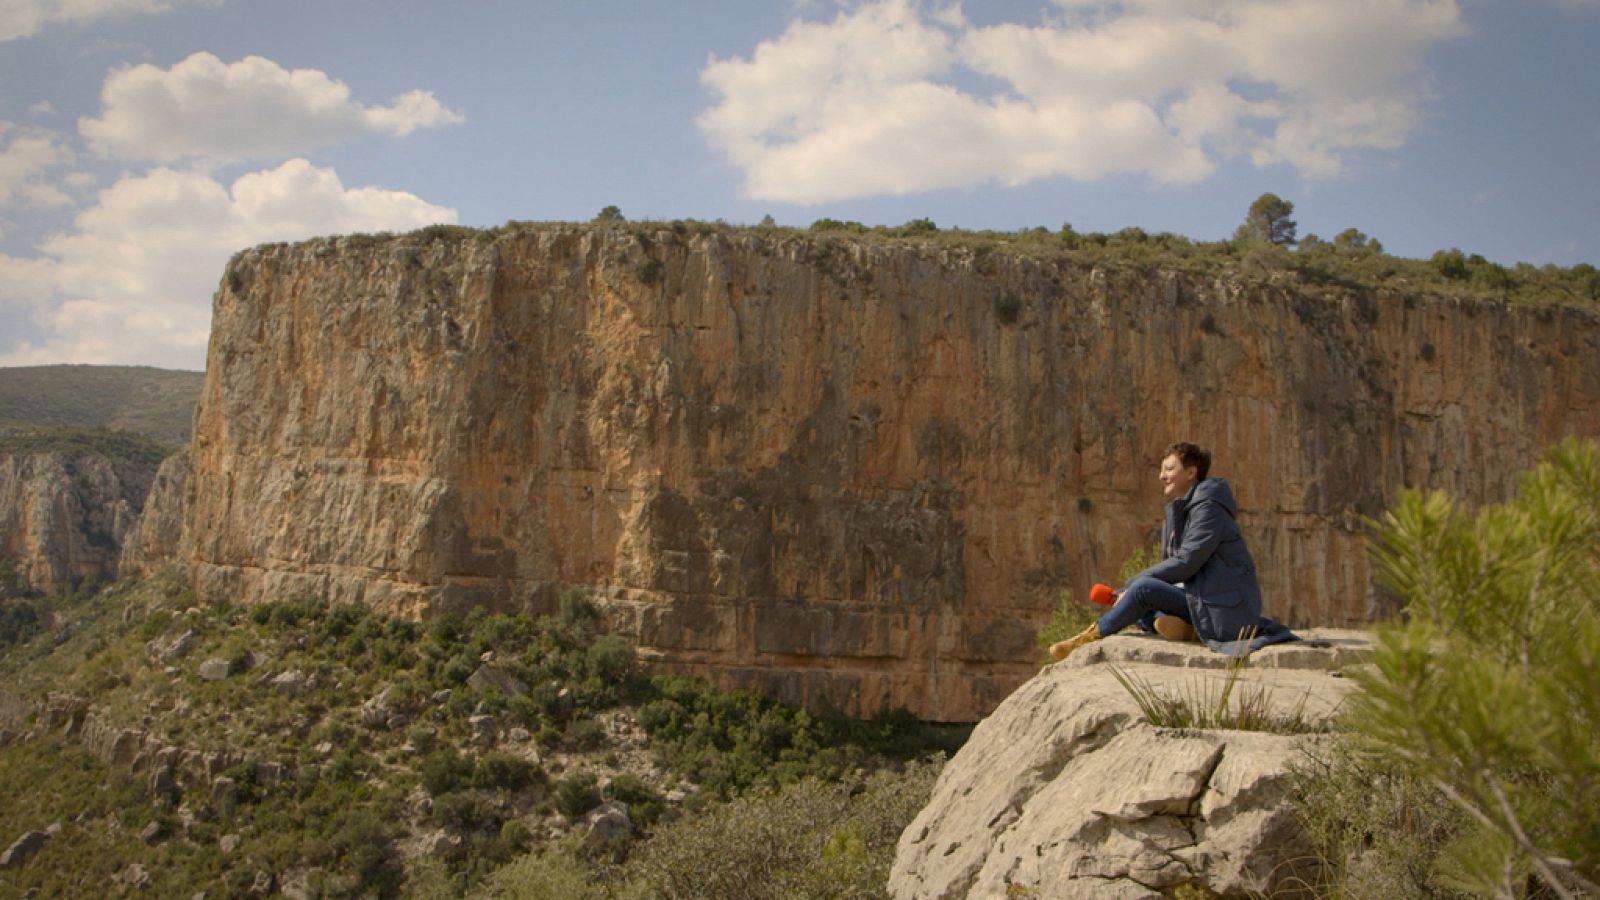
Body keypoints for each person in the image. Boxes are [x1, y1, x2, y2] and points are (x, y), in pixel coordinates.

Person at [1049, 442, 1295, 661]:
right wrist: (1127, 592)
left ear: (1191, 472)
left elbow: (1187, 561)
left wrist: (1133, 585)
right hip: (1200, 599)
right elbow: (1174, 572)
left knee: (1142, 589)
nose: (1161, 476)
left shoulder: (1209, 509)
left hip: (1224, 610)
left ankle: (1086, 638)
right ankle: (1187, 629)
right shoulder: (1178, 515)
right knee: (1133, 600)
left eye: (1168, 469)